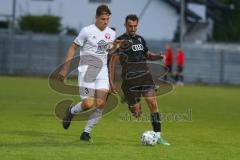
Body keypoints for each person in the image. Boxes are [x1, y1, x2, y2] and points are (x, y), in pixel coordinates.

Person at [58, 4, 119, 142]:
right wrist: (65, 68)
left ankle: (86, 133)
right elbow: (72, 48)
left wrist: (111, 79)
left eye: (107, 19)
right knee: (88, 104)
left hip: (102, 71)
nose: (105, 21)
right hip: (87, 71)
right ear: (96, 17)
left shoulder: (112, 33)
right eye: (103, 18)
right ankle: (71, 111)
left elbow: (110, 54)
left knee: (101, 103)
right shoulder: (86, 31)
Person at [109, 14, 170, 146]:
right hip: (130, 79)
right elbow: (111, 58)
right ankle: (132, 104)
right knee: (136, 112)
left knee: (153, 103)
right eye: (130, 26)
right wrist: (111, 82)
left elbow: (147, 55)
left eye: (135, 26)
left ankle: (158, 136)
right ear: (125, 25)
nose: (133, 28)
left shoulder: (140, 39)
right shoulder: (120, 40)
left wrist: (159, 56)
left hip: (144, 76)